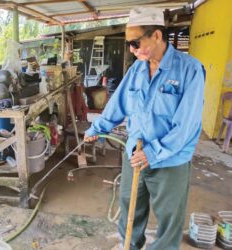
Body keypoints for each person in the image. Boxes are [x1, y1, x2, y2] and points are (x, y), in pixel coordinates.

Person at [84, 7, 205, 250]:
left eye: (135, 42)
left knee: (169, 220)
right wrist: (96, 128)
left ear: (157, 36)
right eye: (129, 44)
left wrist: (153, 153)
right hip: (135, 155)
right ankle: (130, 246)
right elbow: (117, 105)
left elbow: (187, 125)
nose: (131, 49)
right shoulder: (137, 70)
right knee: (130, 209)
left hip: (170, 160)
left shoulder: (189, 69)